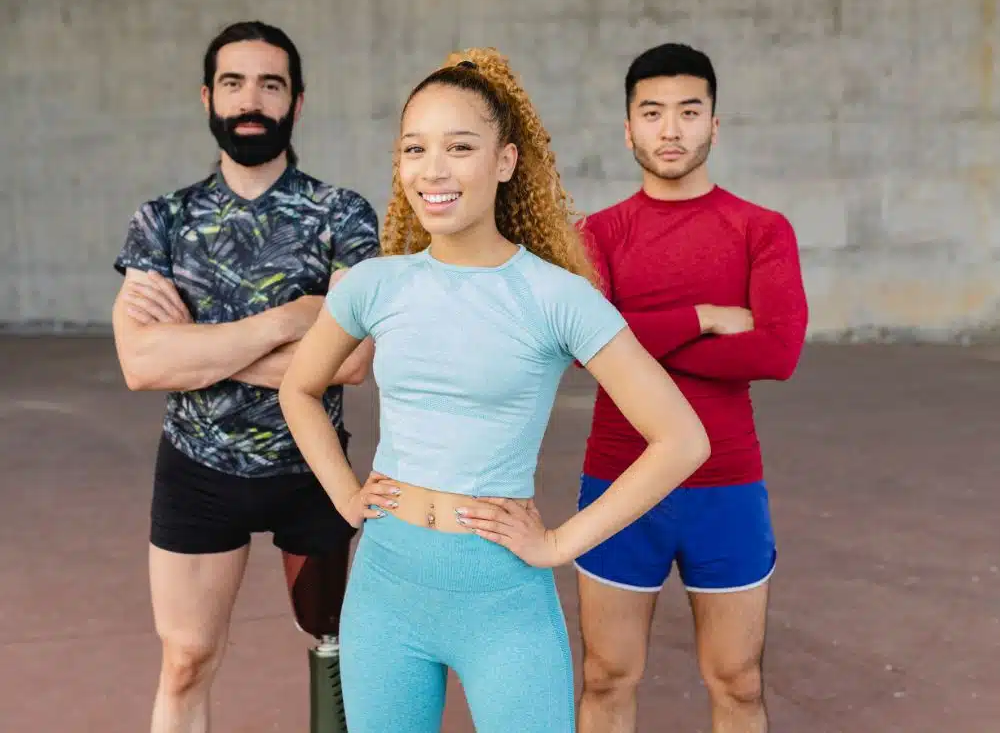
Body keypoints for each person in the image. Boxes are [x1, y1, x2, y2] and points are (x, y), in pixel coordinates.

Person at [277, 48, 711, 733]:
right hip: (386, 588)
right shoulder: (376, 284)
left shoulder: (556, 297)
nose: (433, 170)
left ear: (505, 161)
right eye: (415, 148)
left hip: (502, 600)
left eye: (460, 147)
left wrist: (560, 544)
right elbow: (298, 389)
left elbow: (682, 439)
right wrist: (345, 495)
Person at [109, 21, 380, 733]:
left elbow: (351, 362)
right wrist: (293, 319)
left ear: (297, 100)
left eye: (270, 84)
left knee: (340, 661)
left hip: (313, 471)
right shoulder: (162, 221)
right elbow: (142, 364)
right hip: (198, 474)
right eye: (233, 83)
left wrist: (193, 349)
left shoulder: (342, 215)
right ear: (207, 97)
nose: (250, 100)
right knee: (186, 662)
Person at [573, 43, 809, 733]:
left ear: (715, 123)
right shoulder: (597, 234)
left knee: (737, 683)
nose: (670, 130)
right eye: (652, 113)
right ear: (628, 128)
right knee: (604, 676)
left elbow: (778, 350)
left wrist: (633, 341)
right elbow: (590, 352)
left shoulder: (761, 229)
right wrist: (702, 318)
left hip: (726, 484)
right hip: (619, 479)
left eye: (688, 111)